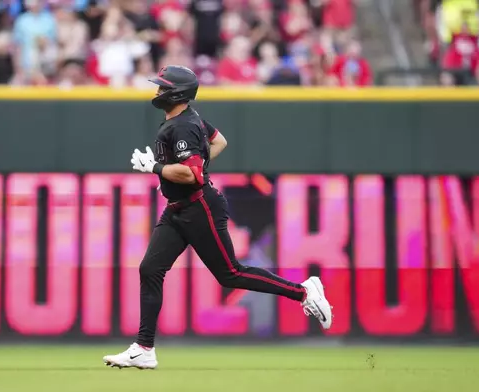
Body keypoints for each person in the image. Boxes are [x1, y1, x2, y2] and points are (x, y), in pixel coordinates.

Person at [102, 65, 333, 370]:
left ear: (177, 93)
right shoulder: (188, 119)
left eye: (162, 87)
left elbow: (193, 174)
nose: (157, 92)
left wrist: (156, 169)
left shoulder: (182, 126)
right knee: (150, 268)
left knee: (231, 274)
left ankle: (303, 291)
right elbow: (219, 141)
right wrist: (171, 177)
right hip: (178, 208)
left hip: (199, 207)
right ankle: (144, 347)